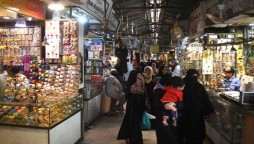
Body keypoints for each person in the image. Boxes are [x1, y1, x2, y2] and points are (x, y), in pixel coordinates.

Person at [178, 69, 215, 144]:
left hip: (195, 112)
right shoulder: (182, 86)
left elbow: (205, 99)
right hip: (186, 112)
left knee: (195, 132)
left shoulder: (199, 86)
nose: (194, 78)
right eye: (193, 76)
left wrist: (211, 111)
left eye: (196, 76)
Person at [117, 68, 148, 144]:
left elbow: (129, 93)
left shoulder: (132, 87)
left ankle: (130, 138)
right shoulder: (141, 87)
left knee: (131, 123)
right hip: (138, 107)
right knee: (135, 124)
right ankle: (133, 139)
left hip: (132, 108)